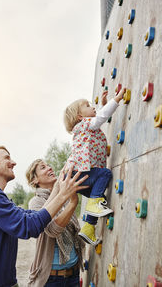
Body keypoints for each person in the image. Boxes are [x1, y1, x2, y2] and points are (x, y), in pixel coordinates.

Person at [0, 145, 88, 287]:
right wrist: (64, 195)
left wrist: (59, 186)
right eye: (7, 158)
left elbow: (36, 217)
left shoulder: (2, 199)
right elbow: (28, 226)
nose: (14, 162)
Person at [63, 88, 126, 245]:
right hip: (78, 173)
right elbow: (102, 117)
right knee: (104, 174)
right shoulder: (85, 124)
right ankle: (94, 208)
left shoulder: (84, 127)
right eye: (87, 105)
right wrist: (116, 99)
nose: (92, 106)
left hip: (74, 177)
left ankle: (88, 228)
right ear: (80, 116)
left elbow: (99, 116)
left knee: (98, 198)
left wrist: (104, 104)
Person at [26, 159, 85, 287]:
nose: (49, 168)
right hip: (52, 279)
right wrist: (73, 203)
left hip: (73, 273)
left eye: (49, 165)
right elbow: (52, 230)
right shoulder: (36, 202)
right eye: (43, 167)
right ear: (35, 180)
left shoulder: (63, 195)